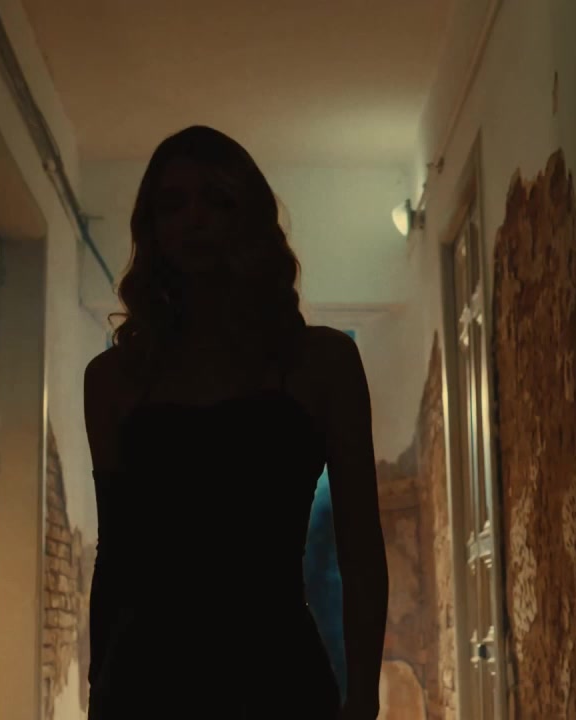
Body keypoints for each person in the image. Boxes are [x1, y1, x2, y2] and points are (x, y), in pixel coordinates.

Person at [82, 125, 389, 719]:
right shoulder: (114, 378)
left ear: (248, 215)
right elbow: (117, 554)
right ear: (152, 226)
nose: (194, 219)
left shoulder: (321, 362)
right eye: (173, 203)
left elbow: (360, 547)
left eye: (217, 199)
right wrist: (100, 693)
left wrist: (364, 699)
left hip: (275, 676)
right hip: (146, 683)